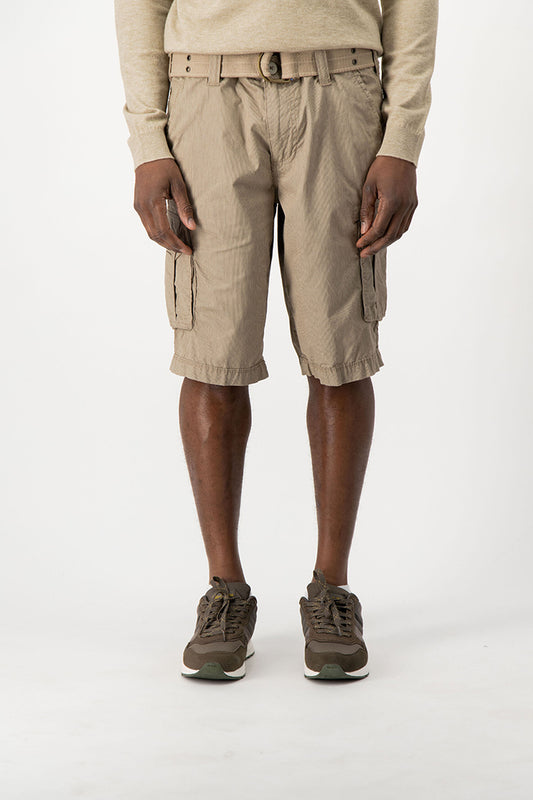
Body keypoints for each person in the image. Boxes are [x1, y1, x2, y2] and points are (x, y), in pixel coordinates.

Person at [114, 0, 438, 681]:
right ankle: (224, 592)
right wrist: (148, 142)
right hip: (206, 94)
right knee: (213, 355)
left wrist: (402, 138)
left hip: (341, 90)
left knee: (339, 353)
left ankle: (332, 591)